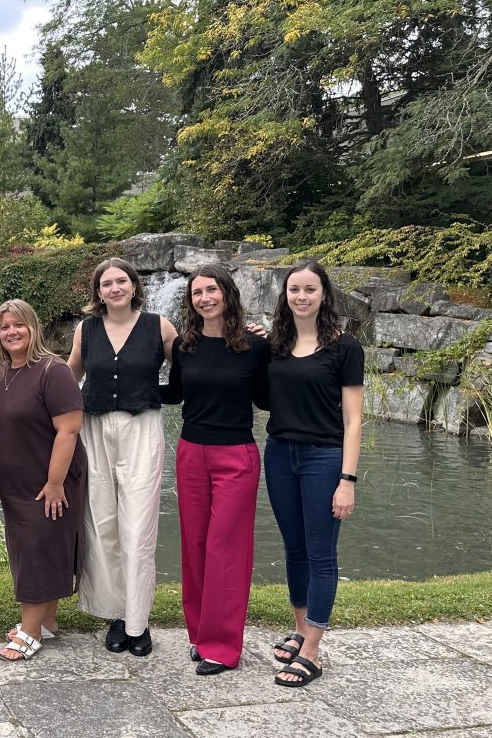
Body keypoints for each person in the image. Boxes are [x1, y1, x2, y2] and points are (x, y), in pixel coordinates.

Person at [161, 264, 269, 675]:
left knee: (227, 548)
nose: (204, 298)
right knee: (195, 544)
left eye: (211, 290)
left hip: (235, 457)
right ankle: (199, 634)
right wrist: (112, 392)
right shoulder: (185, 347)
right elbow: (172, 394)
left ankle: (222, 647)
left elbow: (267, 400)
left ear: (227, 292)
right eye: (196, 293)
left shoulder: (256, 347)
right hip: (191, 452)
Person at [67, 257, 177, 657]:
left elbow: (193, 362)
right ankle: (115, 614)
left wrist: (245, 335)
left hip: (141, 428)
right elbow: (70, 376)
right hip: (95, 429)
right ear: (98, 291)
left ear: (134, 286)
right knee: (102, 521)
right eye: (106, 283)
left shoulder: (159, 326)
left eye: (121, 281)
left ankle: (138, 621)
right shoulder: (86, 329)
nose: (114, 288)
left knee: (138, 526)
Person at [265, 260, 363, 687]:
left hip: (324, 458)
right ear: (285, 296)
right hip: (279, 454)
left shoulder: (345, 347)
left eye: (310, 289)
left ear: (324, 294)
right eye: (294, 290)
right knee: (294, 549)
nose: (301, 297)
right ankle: (302, 629)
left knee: (321, 554)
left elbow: (354, 420)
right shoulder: (276, 343)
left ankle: (313, 652)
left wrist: (348, 480)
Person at [0, 299, 86, 662]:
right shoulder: (1, 373)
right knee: (34, 547)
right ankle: (47, 621)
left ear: (33, 327)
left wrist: (56, 482)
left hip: (49, 479)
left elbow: (69, 429)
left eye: (19, 325)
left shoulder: (52, 370)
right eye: (5, 327)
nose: (12, 332)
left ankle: (30, 631)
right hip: (15, 478)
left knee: (37, 549)